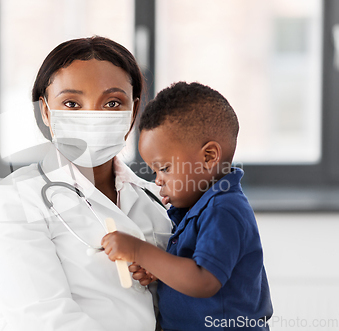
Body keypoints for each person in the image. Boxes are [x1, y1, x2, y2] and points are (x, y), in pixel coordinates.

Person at [0, 36, 173, 331]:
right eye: (71, 103)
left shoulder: (155, 201)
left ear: (132, 113)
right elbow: (45, 322)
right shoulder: (14, 201)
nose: (93, 117)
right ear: (45, 111)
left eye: (111, 103)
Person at [101, 82, 273, 330]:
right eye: (154, 171)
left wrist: (139, 251)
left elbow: (203, 280)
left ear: (208, 157)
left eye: (165, 168)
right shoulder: (196, 208)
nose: (158, 180)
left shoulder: (224, 209)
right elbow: (187, 270)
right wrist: (159, 271)